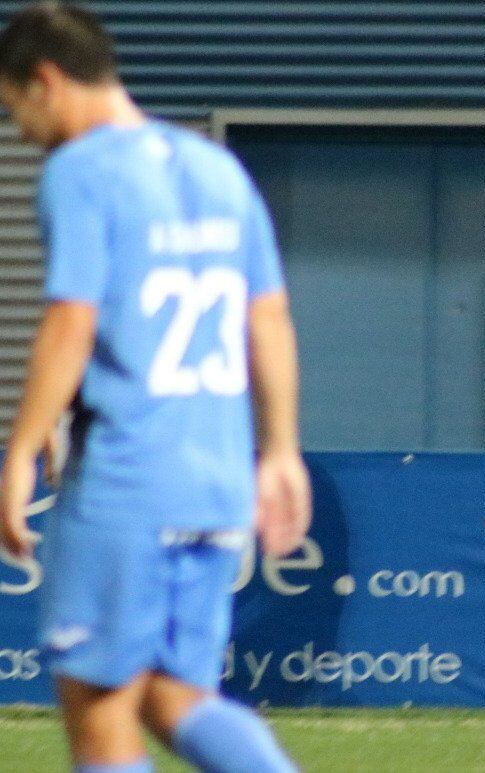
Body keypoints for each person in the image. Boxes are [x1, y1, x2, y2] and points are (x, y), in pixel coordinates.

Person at [0, 3, 311, 770]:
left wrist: (17, 451)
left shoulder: (79, 171)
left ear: (45, 81)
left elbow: (71, 321)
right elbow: (268, 317)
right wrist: (279, 449)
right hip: (212, 480)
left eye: (13, 109)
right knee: (174, 695)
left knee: (99, 705)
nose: (19, 130)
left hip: (128, 479)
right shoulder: (215, 167)